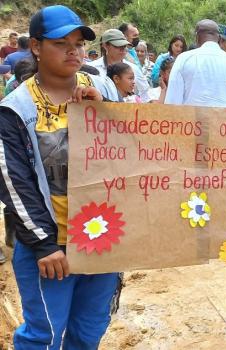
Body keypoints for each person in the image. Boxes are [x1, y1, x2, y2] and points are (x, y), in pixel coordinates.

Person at [0, 5, 120, 348]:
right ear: (36, 47)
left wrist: (103, 111)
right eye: (61, 43)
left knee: (89, 330)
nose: (74, 50)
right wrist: (43, 244)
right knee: (45, 335)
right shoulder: (16, 109)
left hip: (104, 237)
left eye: (79, 43)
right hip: (54, 247)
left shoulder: (103, 89)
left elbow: (134, 153)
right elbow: (13, 182)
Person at [164, 19, 226, 107]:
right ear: (219, 38)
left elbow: (172, 102)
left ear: (196, 37)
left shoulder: (184, 59)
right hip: (225, 120)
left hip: (192, 120)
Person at [88, 29, 151, 102]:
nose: (122, 49)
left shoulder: (134, 69)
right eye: (117, 46)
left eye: (124, 46)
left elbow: (145, 95)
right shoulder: (92, 68)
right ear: (105, 46)